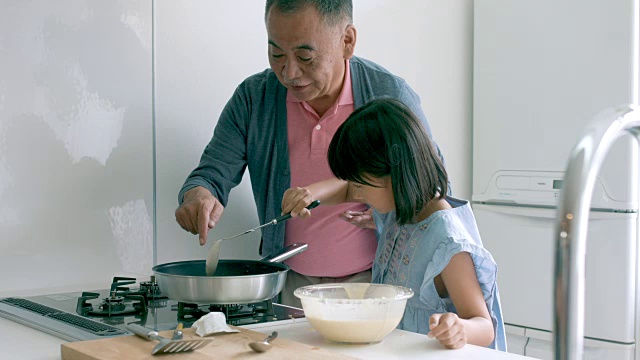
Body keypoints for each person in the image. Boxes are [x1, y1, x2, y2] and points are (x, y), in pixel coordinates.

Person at [174, 0, 446, 308]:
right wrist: (199, 195)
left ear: (347, 41)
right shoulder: (254, 99)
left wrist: (391, 209)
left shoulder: (390, 96)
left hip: (377, 284)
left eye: (305, 56)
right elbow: (212, 172)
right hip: (289, 285)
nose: (289, 72)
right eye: (276, 53)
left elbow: (432, 190)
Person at [280, 98, 506, 351]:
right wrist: (309, 194)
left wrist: (456, 327)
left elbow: (485, 327)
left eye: (361, 185)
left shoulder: (446, 240)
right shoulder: (396, 207)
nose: (357, 194)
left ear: (394, 175)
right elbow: (344, 190)